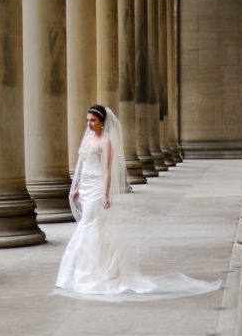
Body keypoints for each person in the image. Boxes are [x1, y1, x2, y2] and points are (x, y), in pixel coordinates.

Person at [54, 104, 221, 302]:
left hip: (98, 189)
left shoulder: (106, 143)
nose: (89, 124)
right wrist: (77, 187)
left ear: (102, 123)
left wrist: (106, 194)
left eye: (93, 121)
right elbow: (82, 166)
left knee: (88, 226)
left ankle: (85, 273)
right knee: (93, 228)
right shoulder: (88, 139)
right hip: (86, 187)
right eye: (87, 120)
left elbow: (107, 171)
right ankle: (89, 271)